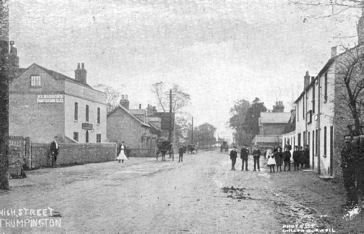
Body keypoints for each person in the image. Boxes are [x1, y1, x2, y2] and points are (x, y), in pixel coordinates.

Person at [341, 136, 358, 208]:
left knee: (351, 185)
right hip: (345, 169)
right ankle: (348, 202)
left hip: (351, 169)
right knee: (346, 185)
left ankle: (354, 202)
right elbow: (342, 157)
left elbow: (353, 157)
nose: (347, 140)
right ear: (344, 140)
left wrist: (348, 160)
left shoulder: (353, 148)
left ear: (350, 140)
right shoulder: (344, 147)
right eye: (346, 139)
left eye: (348, 139)